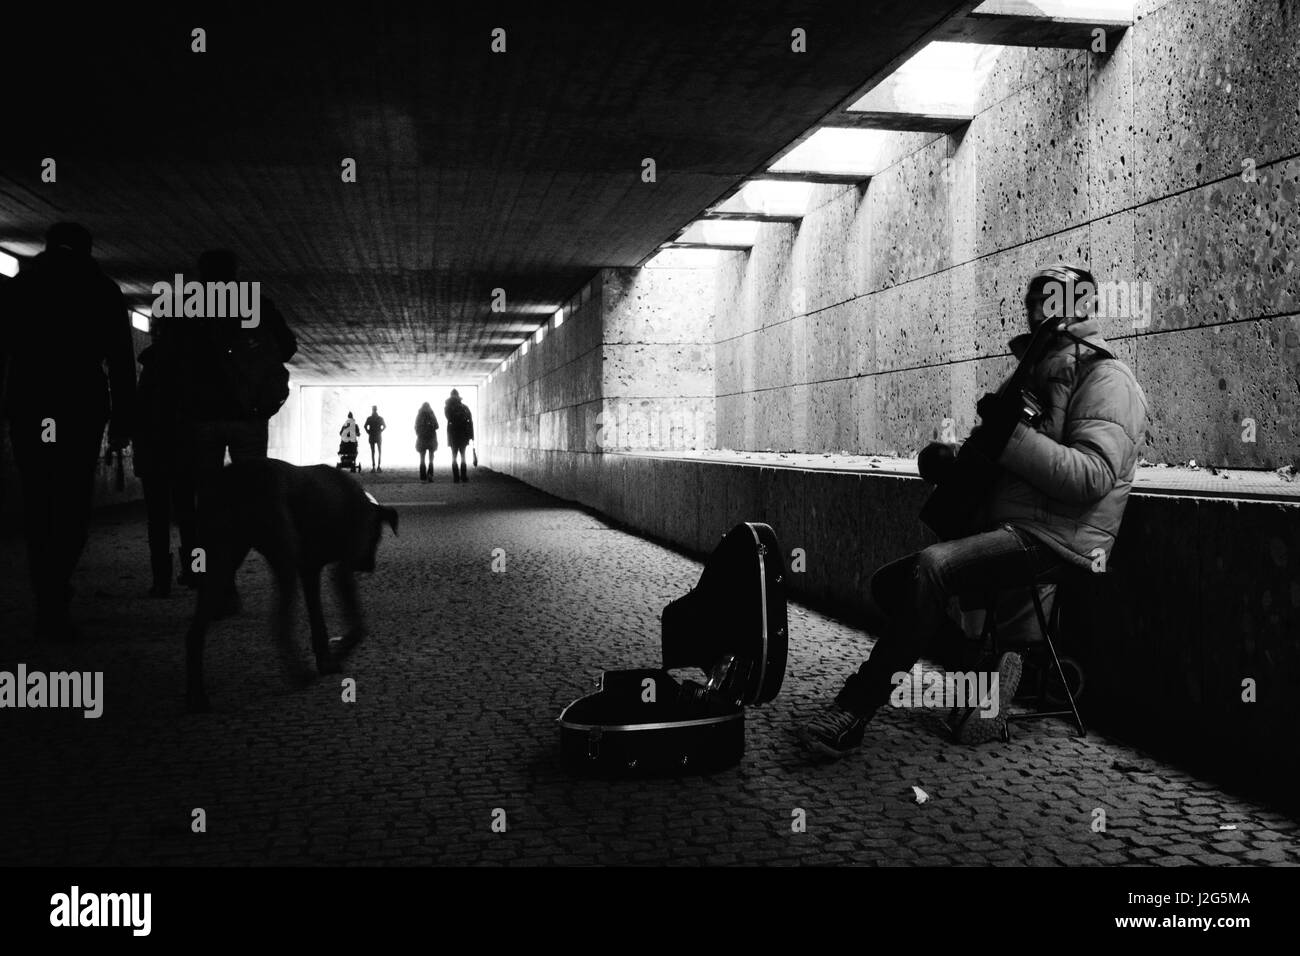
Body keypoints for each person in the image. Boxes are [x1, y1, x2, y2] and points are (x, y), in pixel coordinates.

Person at [798, 264, 1149, 757]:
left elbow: (1090, 477)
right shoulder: (1032, 372)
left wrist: (1009, 436)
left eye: (1046, 301)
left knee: (932, 568)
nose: (1033, 311)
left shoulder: (1107, 377)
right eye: (1030, 300)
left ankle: (855, 708)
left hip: (1060, 539)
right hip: (1010, 527)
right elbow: (1006, 461)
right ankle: (984, 667)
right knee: (891, 586)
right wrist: (950, 461)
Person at [0, 222, 136, 640]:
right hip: (80, 403)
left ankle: (46, 592)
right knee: (73, 499)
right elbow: (120, 359)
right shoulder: (102, 290)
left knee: (39, 495)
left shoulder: (21, 285)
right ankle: (57, 592)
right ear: (88, 249)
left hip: (32, 401)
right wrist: (123, 419)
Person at [134, 317, 197, 597]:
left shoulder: (150, 365)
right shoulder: (193, 366)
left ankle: (161, 581)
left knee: (157, 519)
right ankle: (196, 572)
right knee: (189, 516)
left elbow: (141, 413)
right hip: (184, 451)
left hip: (154, 452)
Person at [444, 389, 474, 484]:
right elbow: (470, 422)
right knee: (463, 456)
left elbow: (448, 418)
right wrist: (471, 435)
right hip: (463, 435)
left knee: (454, 456)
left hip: (453, 435)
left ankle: (456, 478)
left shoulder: (447, 407)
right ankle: (464, 476)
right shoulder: (465, 407)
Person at [415, 402, 439, 482]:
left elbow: (416, 427)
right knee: (431, 458)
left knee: (422, 458)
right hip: (431, 438)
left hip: (422, 439)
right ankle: (430, 475)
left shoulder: (419, 415)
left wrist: (420, 434)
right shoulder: (431, 414)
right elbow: (437, 426)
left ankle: (423, 477)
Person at [364, 405, 386, 473]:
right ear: (376, 410)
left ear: (372, 410)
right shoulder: (380, 418)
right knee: (379, 451)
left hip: (372, 436)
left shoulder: (369, 418)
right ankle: (378, 466)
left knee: (373, 452)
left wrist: (368, 432)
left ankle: (373, 467)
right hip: (378, 436)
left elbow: (365, 426)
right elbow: (384, 426)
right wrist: (380, 431)